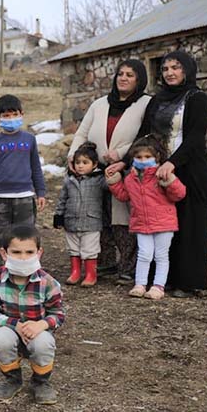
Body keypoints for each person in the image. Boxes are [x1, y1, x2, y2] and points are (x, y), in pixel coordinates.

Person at [69, 60, 150, 285]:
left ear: (139, 79)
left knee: (123, 219)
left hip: (128, 169)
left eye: (130, 75)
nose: (123, 78)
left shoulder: (146, 104)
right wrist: (72, 156)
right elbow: (81, 133)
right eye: (120, 74)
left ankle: (128, 267)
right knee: (99, 217)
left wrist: (123, 155)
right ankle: (103, 262)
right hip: (96, 171)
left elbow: (146, 137)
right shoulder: (99, 104)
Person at [138, 50, 207, 298]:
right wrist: (126, 159)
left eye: (175, 68)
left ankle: (188, 282)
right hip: (159, 171)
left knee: (190, 225)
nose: (170, 72)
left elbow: (194, 138)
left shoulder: (197, 98)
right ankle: (163, 279)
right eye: (166, 68)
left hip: (191, 170)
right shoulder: (157, 100)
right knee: (164, 225)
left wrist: (172, 162)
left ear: (187, 70)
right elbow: (145, 134)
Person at [0, 224, 65, 405]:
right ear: (4, 254)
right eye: (16, 252)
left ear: (39, 252)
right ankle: (12, 380)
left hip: (38, 332)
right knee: (1, 338)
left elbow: (58, 314)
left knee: (43, 343)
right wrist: (16, 325)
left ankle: (41, 382)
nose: (23, 257)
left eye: (29, 252)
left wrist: (41, 325)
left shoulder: (48, 282)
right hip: (11, 330)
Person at [106, 135, 186, 300]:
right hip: (141, 223)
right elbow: (124, 195)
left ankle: (158, 286)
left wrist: (170, 181)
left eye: (147, 157)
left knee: (161, 256)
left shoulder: (161, 175)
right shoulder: (131, 179)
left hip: (164, 223)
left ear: (157, 156)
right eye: (139, 157)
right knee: (144, 254)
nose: (143, 160)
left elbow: (179, 194)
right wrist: (114, 182)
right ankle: (140, 284)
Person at [0, 94, 46, 269]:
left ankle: (26, 273)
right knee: (0, 239)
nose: (10, 119)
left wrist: (40, 192)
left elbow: (36, 168)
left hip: (24, 197)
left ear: (21, 114)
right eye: (6, 116)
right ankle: (0, 275)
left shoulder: (29, 140)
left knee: (26, 237)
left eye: (14, 115)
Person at [54, 142, 107, 287]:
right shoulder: (69, 180)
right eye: (78, 162)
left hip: (91, 221)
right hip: (71, 221)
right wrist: (59, 215)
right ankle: (75, 272)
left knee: (89, 249)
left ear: (94, 164)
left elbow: (110, 185)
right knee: (74, 248)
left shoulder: (99, 180)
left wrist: (105, 169)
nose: (80, 166)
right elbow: (63, 199)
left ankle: (91, 274)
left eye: (85, 162)